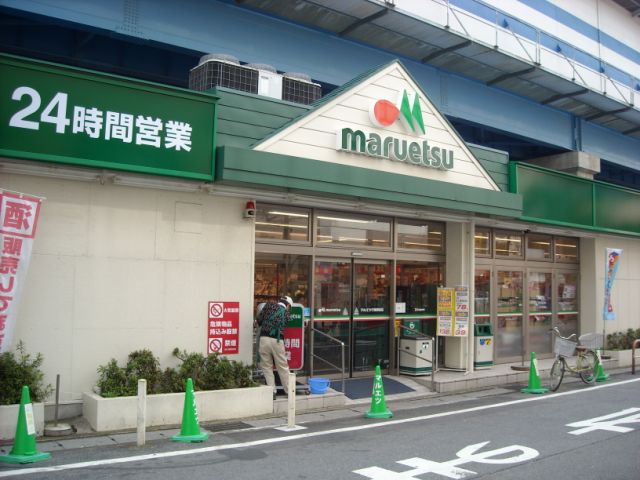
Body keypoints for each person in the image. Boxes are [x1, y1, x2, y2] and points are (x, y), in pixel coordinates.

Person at [256, 295, 292, 398]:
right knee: (282, 367)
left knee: (266, 367)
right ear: (288, 305)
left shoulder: (268, 306)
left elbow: (259, 320)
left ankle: (272, 392)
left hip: (264, 339)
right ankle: (289, 391)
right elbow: (283, 324)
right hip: (277, 340)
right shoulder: (286, 313)